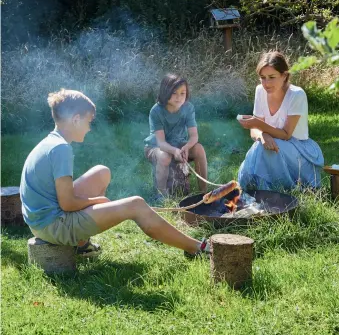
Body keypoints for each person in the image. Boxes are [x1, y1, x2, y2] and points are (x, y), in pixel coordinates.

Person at [20, 89, 209, 257]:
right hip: (54, 227)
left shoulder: (51, 142)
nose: (89, 128)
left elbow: (64, 198)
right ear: (76, 119)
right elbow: (68, 203)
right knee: (136, 204)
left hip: (41, 222)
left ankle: (81, 244)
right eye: (88, 121)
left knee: (102, 173)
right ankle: (195, 247)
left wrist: (94, 203)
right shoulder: (61, 149)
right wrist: (98, 201)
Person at [237, 51, 324, 191]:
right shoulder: (260, 90)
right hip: (271, 144)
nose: (266, 83)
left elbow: (286, 134)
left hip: (298, 150)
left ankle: (265, 189)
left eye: (272, 77)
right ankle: (253, 191)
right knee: (261, 146)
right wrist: (262, 135)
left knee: (263, 148)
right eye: (262, 78)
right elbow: (254, 131)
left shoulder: (296, 94)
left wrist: (259, 126)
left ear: (284, 75)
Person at [144, 74, 208, 197]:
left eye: (182, 93)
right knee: (165, 157)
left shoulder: (188, 108)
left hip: (179, 144)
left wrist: (187, 147)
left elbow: (194, 136)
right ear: (165, 92)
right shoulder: (156, 111)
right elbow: (161, 143)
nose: (179, 97)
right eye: (174, 93)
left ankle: (203, 194)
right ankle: (161, 196)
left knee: (199, 149)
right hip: (156, 147)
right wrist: (174, 151)